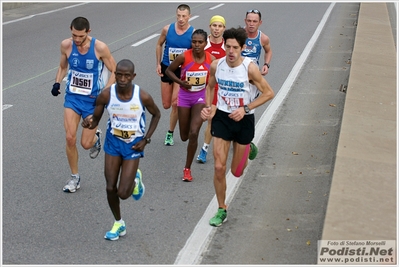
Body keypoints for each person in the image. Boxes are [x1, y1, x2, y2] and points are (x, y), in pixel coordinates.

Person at [200, 27, 275, 227]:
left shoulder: (250, 69)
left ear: (242, 48)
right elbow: (210, 86)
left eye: (235, 47)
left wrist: (246, 108)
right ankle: (222, 208)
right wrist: (208, 107)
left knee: (237, 172)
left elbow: (269, 93)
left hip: (244, 119)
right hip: (223, 117)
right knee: (218, 167)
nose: (231, 51)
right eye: (228, 47)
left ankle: (248, 147)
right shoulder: (217, 65)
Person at [81, 59, 161, 240]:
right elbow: (96, 118)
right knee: (110, 187)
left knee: (123, 193)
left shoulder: (143, 96)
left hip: (133, 144)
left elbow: (156, 114)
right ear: (115, 75)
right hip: (113, 142)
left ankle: (135, 180)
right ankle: (118, 223)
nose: (123, 79)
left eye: (127, 75)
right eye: (119, 75)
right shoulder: (106, 95)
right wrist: (89, 122)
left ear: (133, 76)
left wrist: (146, 139)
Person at [51, 16, 116, 193]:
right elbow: (63, 67)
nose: (77, 40)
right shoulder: (66, 45)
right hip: (73, 97)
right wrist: (57, 82)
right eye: (74, 35)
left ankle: (96, 138)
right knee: (70, 137)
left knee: (85, 144)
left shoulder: (99, 48)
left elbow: (115, 71)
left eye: (81, 36)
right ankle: (75, 178)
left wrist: (106, 92)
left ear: (88, 32)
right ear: (70, 30)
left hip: (93, 101)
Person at [165, 29, 215, 182]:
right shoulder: (184, 56)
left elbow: (214, 80)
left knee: (194, 132)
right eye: (194, 42)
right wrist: (181, 83)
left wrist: (211, 100)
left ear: (205, 43)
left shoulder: (211, 59)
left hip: (200, 98)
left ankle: (187, 169)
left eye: (200, 42)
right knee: (184, 136)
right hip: (185, 98)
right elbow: (168, 71)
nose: (197, 45)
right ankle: (186, 138)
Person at [155, 4, 195, 146]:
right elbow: (159, 44)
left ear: (189, 16)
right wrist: (158, 63)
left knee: (175, 103)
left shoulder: (192, 33)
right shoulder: (167, 29)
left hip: (182, 71)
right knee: (166, 104)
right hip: (167, 68)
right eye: (178, 16)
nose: (181, 19)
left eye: (184, 16)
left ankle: (170, 133)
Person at [196, 15, 226, 164]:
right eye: (214, 25)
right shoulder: (203, 44)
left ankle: (204, 149)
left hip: (217, 88)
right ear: (210, 27)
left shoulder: (227, 46)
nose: (217, 29)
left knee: (211, 119)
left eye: (220, 26)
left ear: (223, 29)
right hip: (201, 87)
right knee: (197, 120)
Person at [242, 9, 272, 102]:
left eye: (254, 21)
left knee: (249, 102)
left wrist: (266, 65)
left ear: (260, 22)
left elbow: (268, 51)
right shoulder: (238, 35)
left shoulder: (263, 38)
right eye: (249, 21)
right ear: (245, 21)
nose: (251, 24)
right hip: (237, 72)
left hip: (253, 74)